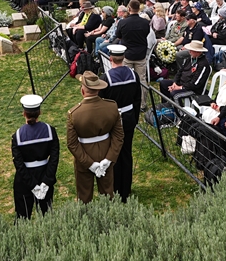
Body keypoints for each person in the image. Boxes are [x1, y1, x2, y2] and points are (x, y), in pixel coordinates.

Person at [66, 71, 124, 203]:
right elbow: (118, 136)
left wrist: (89, 164)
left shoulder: (74, 114)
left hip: (84, 155)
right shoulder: (112, 106)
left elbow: (72, 144)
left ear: (82, 91)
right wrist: (109, 158)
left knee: (84, 197)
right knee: (108, 195)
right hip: (106, 151)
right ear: (98, 90)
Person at [10, 94, 59, 219]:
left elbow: (19, 164)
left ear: (24, 114)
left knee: (22, 217)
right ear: (40, 112)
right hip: (44, 174)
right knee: (47, 215)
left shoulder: (18, 135)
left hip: (24, 181)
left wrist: (32, 185)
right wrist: (46, 182)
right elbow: (54, 158)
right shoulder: (50, 131)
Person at [101, 46, 140, 202]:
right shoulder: (134, 75)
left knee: (112, 155)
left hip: (112, 121)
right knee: (126, 153)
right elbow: (137, 100)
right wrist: (134, 119)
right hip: (129, 118)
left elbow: (102, 104)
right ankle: (126, 188)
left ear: (111, 59)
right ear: (123, 58)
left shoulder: (106, 78)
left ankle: (115, 189)